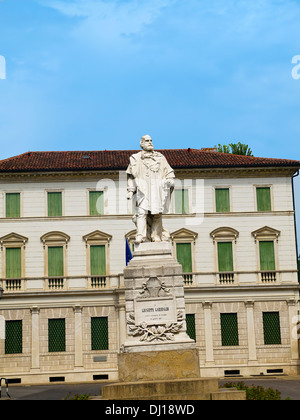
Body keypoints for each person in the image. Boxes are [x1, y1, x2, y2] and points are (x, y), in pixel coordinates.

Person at [126, 135, 175, 244]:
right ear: (141, 144)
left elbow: (169, 171)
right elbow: (131, 176)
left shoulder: (160, 157)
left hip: (157, 189)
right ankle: (141, 236)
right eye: (147, 141)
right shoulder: (135, 158)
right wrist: (130, 190)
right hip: (143, 190)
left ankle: (156, 236)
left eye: (151, 140)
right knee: (141, 212)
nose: (150, 142)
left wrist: (170, 179)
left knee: (157, 214)